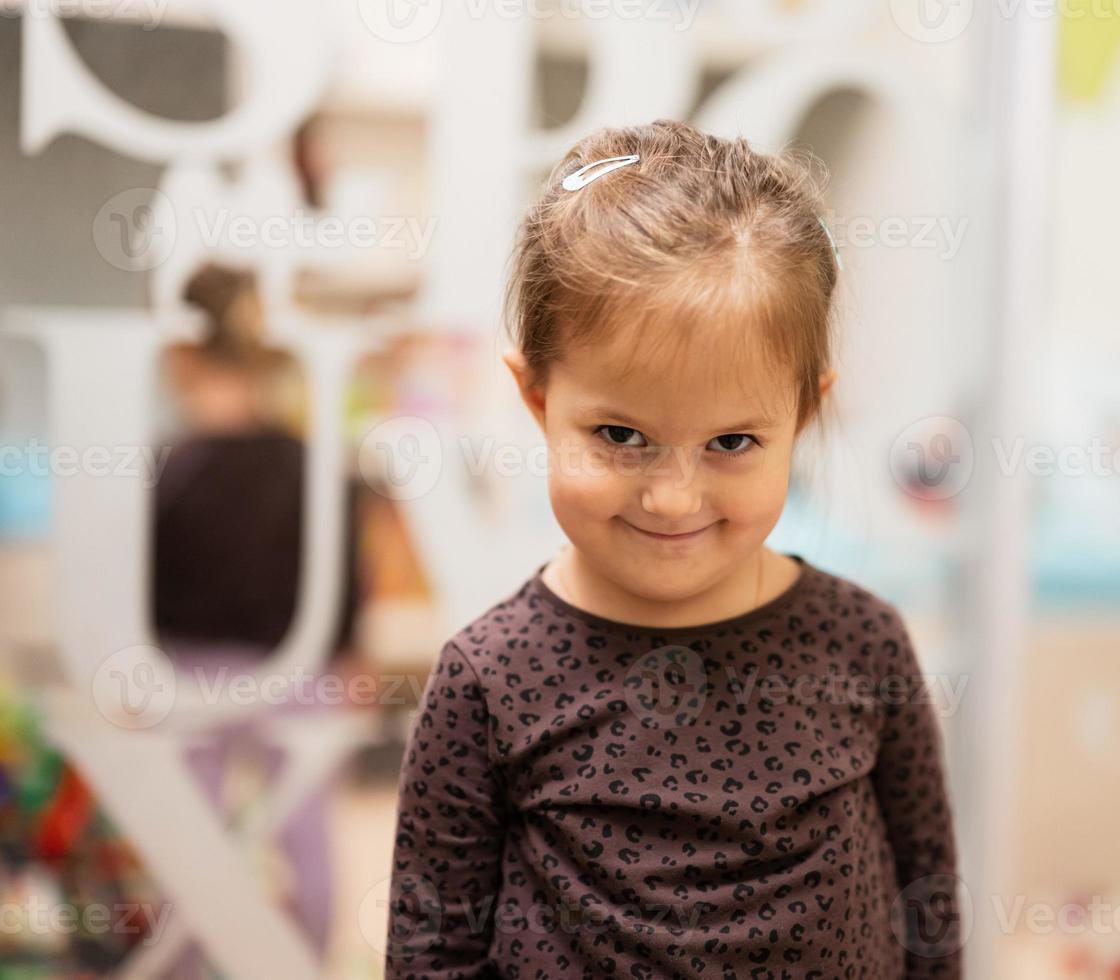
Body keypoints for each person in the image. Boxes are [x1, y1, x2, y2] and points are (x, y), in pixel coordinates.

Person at [385, 120, 963, 978]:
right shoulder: (488, 681)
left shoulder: (864, 646)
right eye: (621, 434)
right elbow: (432, 955)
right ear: (537, 399)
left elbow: (930, 911)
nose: (672, 497)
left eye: (731, 443)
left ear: (803, 415)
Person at [152, 264, 358, 975]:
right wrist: (347, 662)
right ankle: (302, 966)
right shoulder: (311, 463)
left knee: (187, 842)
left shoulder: (169, 468)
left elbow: (140, 588)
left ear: (181, 355)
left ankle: (183, 967)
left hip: (187, 669)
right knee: (304, 838)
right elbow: (344, 581)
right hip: (296, 669)